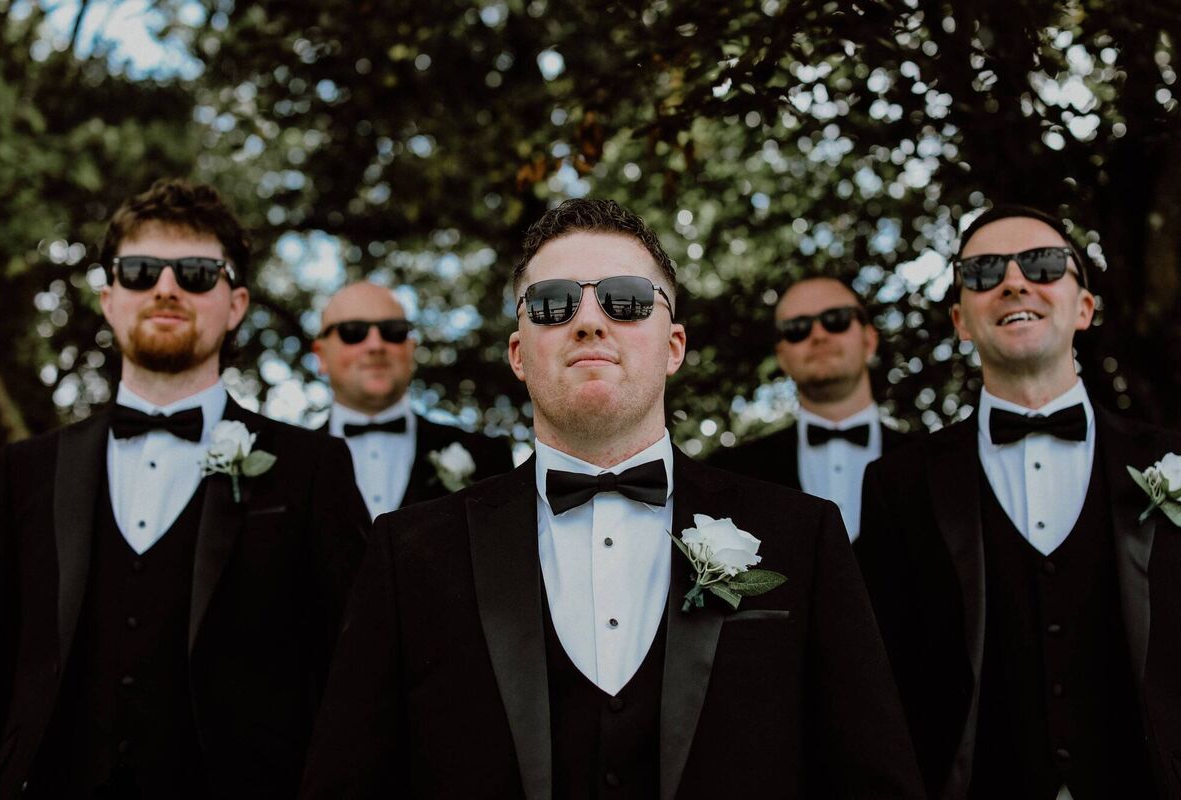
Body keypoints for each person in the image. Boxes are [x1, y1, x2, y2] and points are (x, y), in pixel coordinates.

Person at [301, 198, 924, 798]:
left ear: (673, 345)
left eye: (626, 301)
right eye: (552, 304)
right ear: (519, 353)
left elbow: (871, 778)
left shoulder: (803, 533)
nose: (590, 321)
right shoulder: (408, 551)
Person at [0, 179, 370, 799]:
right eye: (139, 271)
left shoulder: (313, 468)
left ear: (236, 303)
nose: (165, 288)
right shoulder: (26, 472)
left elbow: (356, 676)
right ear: (109, 298)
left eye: (195, 272)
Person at [855, 205, 1181, 800]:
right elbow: (875, 682)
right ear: (961, 319)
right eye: (982, 272)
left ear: (1084, 307)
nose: (1013, 281)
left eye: (1043, 264)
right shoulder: (897, 486)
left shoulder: (1173, 460)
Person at [708, 276, 908, 542]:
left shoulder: (936, 465)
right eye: (797, 328)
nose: (818, 335)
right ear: (782, 356)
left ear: (869, 340)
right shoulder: (732, 474)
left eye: (836, 319)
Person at [312, 281, 512, 519]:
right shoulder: (289, 464)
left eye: (393, 331)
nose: (376, 345)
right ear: (321, 356)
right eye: (353, 332)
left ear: (411, 349)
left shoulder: (487, 456)